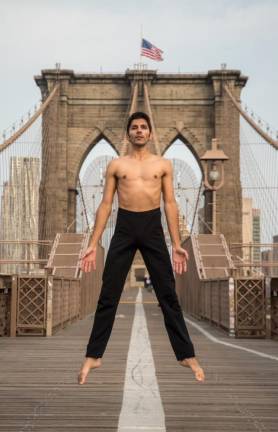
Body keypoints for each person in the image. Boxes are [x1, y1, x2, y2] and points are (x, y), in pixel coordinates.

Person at [78, 112, 205, 384]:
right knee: (108, 294)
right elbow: (105, 204)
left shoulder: (163, 165)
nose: (138, 131)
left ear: (150, 133)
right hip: (124, 226)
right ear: (128, 134)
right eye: (134, 127)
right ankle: (94, 354)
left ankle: (186, 354)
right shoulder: (116, 165)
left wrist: (177, 243)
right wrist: (92, 243)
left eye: (143, 127)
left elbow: (170, 203)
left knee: (167, 294)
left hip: (152, 226)